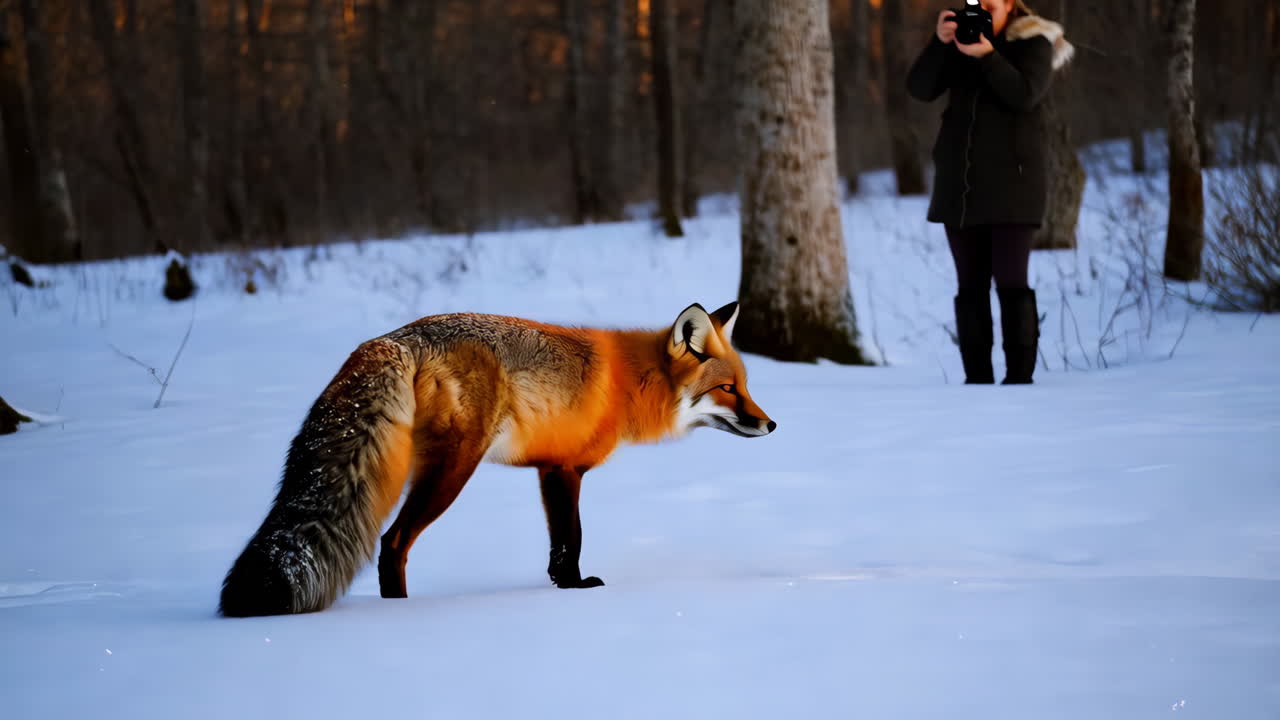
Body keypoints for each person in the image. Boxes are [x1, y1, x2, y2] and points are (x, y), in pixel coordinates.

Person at [907, 1, 1073, 384]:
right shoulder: (956, 44)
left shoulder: (1034, 42)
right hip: (959, 186)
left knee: (1012, 282)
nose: (982, 10)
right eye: (975, 3)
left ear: (1010, 4)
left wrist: (987, 55)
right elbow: (920, 89)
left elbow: (1024, 95)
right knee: (970, 287)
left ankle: (1019, 378)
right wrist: (938, 42)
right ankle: (977, 380)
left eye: (990, 4)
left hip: (1014, 186)